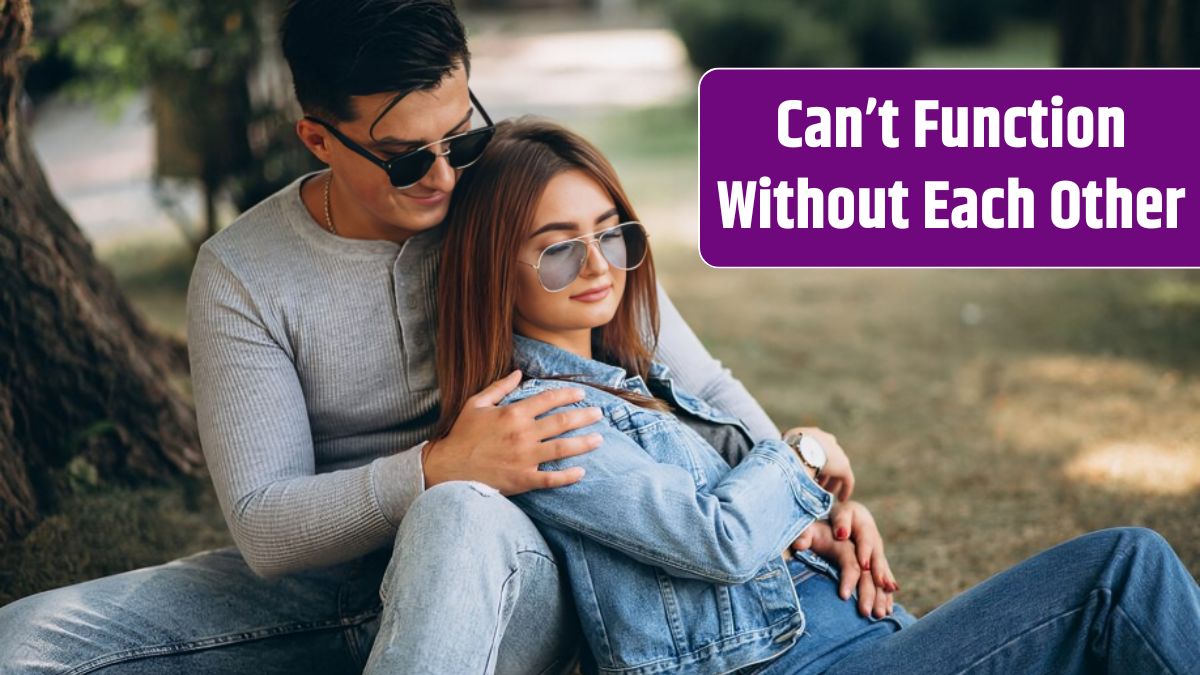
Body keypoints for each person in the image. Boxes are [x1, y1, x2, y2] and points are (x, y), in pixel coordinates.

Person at [0, 1, 868, 673]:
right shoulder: (241, 274)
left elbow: (694, 378)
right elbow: (265, 525)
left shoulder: (507, 196)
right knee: (24, 638)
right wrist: (433, 465)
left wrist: (803, 497)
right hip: (329, 587)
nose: (449, 174)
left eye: (462, 133)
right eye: (409, 157)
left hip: (517, 567)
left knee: (456, 515)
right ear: (316, 138)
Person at [433, 116, 1200, 675]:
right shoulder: (539, 418)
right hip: (807, 664)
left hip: (871, 639)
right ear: (494, 271)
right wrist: (804, 452)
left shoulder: (641, 382)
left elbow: (744, 519)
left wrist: (820, 516)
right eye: (558, 249)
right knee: (1123, 572)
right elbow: (717, 536)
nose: (599, 264)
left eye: (610, 232)